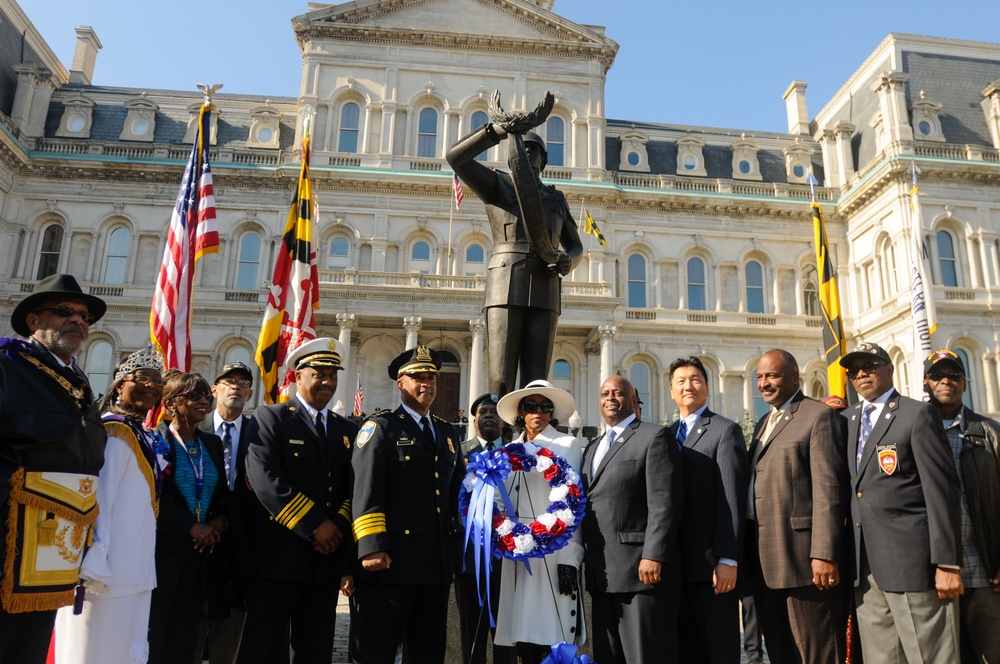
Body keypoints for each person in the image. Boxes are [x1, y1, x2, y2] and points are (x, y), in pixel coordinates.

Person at [0, 273, 108, 663]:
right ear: (34, 320)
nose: (78, 321)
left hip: (55, 545)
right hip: (9, 536)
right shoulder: (9, 364)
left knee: (30, 645)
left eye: (84, 317)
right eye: (65, 312)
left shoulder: (77, 381)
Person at [840, 342, 963, 664]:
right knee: (882, 658)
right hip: (864, 566)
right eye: (854, 370)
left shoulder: (916, 414)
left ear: (889, 368)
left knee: (930, 656)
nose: (862, 374)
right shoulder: (847, 420)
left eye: (870, 366)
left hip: (913, 563)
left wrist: (947, 562)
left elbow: (942, 490)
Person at [237, 339, 356, 664]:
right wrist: (316, 525)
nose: (328, 382)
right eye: (319, 374)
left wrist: (337, 530)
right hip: (277, 560)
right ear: (297, 375)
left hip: (324, 564)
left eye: (332, 375)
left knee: (315, 652)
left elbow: (352, 488)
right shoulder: (271, 418)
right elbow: (265, 481)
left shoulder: (346, 429)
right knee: (262, 649)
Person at [446, 112, 583, 397]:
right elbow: (456, 158)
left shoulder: (556, 199)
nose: (527, 153)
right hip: (505, 284)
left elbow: (575, 244)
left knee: (537, 381)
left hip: (546, 285)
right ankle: (499, 433)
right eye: (523, 147)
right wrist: (497, 130)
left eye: (534, 150)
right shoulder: (498, 186)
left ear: (543, 160)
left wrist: (569, 260)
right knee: (501, 377)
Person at [351, 346, 463, 664]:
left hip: (435, 562)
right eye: (418, 377)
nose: (426, 383)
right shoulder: (381, 428)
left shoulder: (447, 432)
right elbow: (366, 489)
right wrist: (371, 546)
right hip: (392, 561)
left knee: (428, 650)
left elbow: (455, 495)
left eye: (431, 377)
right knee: (379, 649)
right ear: (401, 383)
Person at [54, 345, 165, 664]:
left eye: (158, 382)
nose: (151, 386)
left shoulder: (137, 432)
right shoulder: (112, 431)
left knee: (126, 652)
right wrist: (94, 563)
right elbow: (98, 499)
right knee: (93, 652)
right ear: (120, 383)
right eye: (142, 378)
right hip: (105, 572)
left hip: (135, 567)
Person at [747, 349, 849, 664]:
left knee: (816, 653)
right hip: (765, 563)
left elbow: (829, 490)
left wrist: (824, 554)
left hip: (805, 564)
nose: (764, 383)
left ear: (795, 377)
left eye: (772, 376)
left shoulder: (817, 415)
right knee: (781, 653)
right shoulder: (764, 421)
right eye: (760, 377)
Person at [581, 375, 684, 663]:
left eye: (619, 393)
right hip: (602, 575)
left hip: (642, 574)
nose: (610, 398)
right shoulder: (593, 447)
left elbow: (665, 503)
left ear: (633, 400)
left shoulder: (653, 436)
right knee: (608, 656)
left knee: (645, 657)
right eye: (605, 394)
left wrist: (654, 554)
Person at [492, 380, 586, 662]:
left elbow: (574, 503)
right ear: (520, 412)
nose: (539, 412)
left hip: (553, 547)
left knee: (552, 630)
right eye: (531, 406)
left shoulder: (567, 444)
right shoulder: (508, 449)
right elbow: (499, 498)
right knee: (520, 631)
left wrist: (572, 557)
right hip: (516, 549)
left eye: (545, 407)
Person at [668, 357, 749, 663]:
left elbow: (732, 497)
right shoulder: (666, 435)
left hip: (710, 567)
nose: (688, 386)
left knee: (718, 650)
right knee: (685, 651)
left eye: (695, 379)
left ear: (707, 387)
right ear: (672, 391)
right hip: (675, 568)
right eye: (681, 381)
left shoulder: (724, 430)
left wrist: (728, 558)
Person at [922, 349, 1000, 664]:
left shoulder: (990, 431)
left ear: (965, 384)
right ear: (925, 382)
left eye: (954, 375)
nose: (946, 381)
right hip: (932, 569)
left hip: (983, 564)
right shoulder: (911, 430)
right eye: (938, 375)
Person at [149, 372, 233, 664]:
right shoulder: (156, 439)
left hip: (204, 555)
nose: (203, 401)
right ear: (171, 403)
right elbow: (152, 495)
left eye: (204, 396)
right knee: (157, 631)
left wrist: (218, 522)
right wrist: (188, 526)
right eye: (193, 396)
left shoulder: (211, 443)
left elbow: (222, 492)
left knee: (187, 635)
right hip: (165, 554)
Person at [195, 361, 254, 664]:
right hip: (197, 541)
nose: (236, 387)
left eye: (243, 383)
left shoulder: (260, 434)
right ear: (214, 389)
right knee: (191, 626)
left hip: (241, 543)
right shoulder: (195, 429)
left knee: (230, 631)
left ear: (250, 393)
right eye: (229, 381)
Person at [454, 393, 514, 664]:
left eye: (495, 411)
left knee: (506, 637)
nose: (489, 415)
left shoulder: (517, 455)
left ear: (504, 421)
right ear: (473, 419)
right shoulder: (458, 453)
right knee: (471, 635)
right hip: (470, 560)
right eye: (483, 411)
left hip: (510, 558)